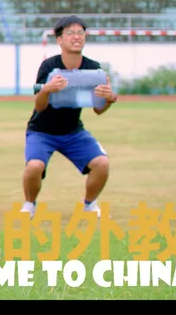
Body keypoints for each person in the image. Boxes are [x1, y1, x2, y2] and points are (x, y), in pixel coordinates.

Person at [22, 15, 116, 218]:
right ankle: (29, 204)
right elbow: (39, 106)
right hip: (41, 131)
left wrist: (109, 98)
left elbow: (98, 109)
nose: (77, 37)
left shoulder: (93, 68)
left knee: (102, 163)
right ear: (59, 39)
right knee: (34, 166)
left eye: (80, 33)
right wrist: (47, 89)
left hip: (73, 131)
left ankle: (89, 204)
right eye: (71, 33)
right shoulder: (48, 67)